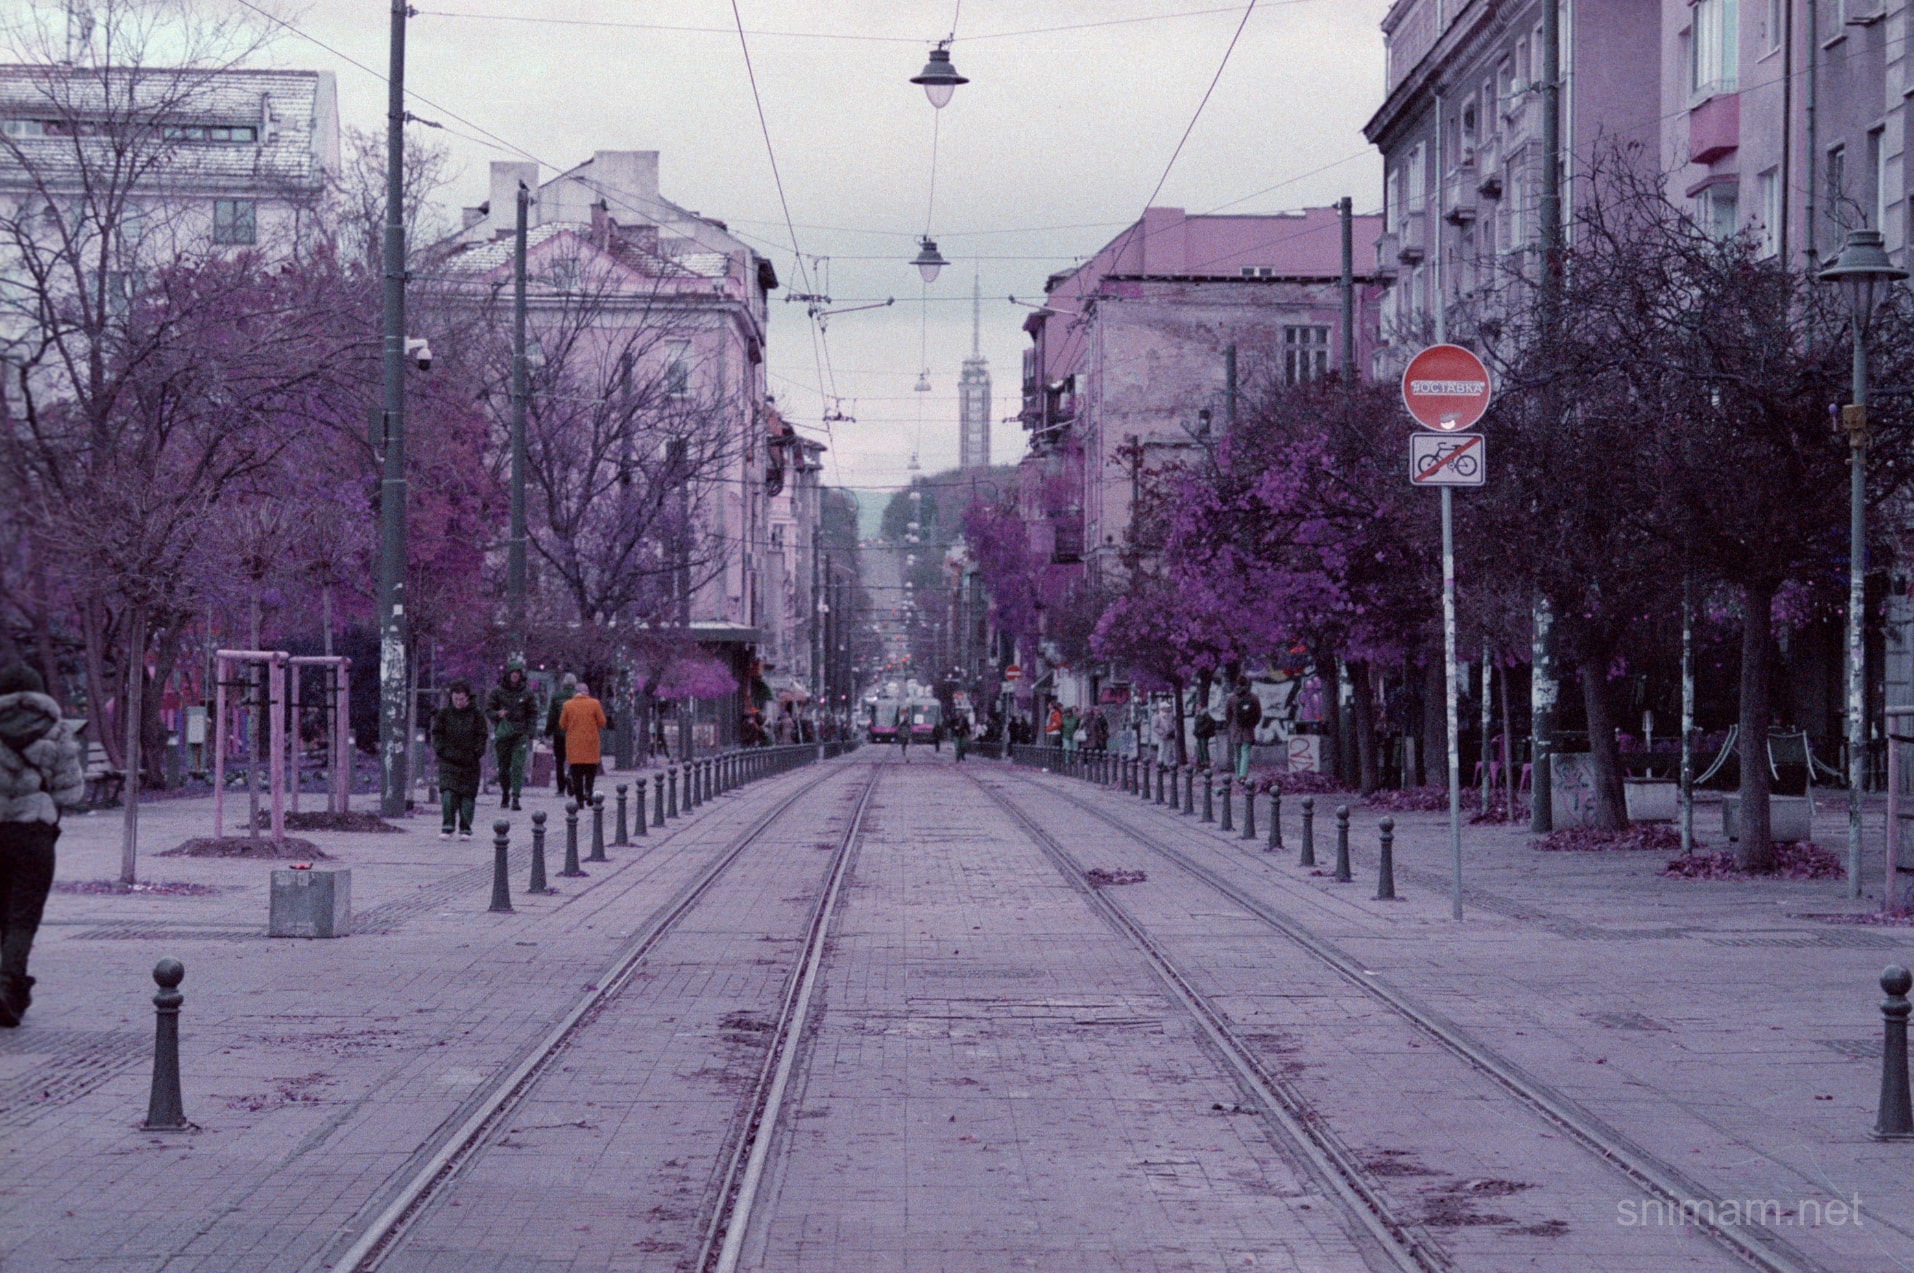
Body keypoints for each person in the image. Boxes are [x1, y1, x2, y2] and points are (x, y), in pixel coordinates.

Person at [0, 663, 82, 1027]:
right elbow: (72, 792)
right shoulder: (57, 730)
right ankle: (7, 985)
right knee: (23, 918)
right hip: (33, 834)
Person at [430, 679, 487, 840]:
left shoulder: (476, 716)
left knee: (468, 796)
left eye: (462, 699)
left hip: (470, 762)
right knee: (448, 793)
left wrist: (476, 752)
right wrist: (441, 750)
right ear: (451, 698)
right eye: (456, 699)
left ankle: (465, 828)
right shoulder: (444, 715)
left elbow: (482, 736)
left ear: (467, 698)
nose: (459, 702)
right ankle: (448, 826)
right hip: (448, 761)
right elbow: (437, 734)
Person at [486, 656, 537, 810]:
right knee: (503, 766)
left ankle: (515, 796)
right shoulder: (498, 691)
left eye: (518, 673)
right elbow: (489, 710)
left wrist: (530, 731)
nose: (515, 675)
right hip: (503, 733)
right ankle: (505, 793)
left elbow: (533, 712)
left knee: (517, 766)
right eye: (512, 672)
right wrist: (497, 714)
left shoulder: (527, 693)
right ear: (508, 674)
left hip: (519, 734)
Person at [558, 680, 608, 805]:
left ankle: (579, 800)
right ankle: (589, 792)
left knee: (577, 775)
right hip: (591, 745)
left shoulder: (567, 705)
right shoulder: (595, 704)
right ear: (587, 692)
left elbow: (562, 724)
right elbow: (602, 722)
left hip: (574, 745)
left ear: (575, 693)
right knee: (590, 773)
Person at [544, 672, 576, 798]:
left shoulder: (556, 697)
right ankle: (571, 776)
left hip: (559, 733)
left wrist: (547, 732)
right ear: (574, 684)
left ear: (563, 683)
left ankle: (560, 788)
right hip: (574, 734)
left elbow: (551, 717)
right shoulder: (577, 698)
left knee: (559, 761)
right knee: (574, 760)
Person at [1227, 676, 1263, 781]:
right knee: (1245, 752)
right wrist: (1253, 724)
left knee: (1237, 754)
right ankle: (1243, 775)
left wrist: (1231, 724)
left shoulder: (1231, 698)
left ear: (1236, 683)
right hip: (1248, 729)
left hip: (1235, 730)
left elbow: (1227, 714)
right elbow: (1258, 714)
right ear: (1247, 684)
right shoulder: (1253, 697)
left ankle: (1238, 776)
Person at [1193, 696, 1217, 769]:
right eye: (1196, 706)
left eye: (1198, 706)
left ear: (1201, 707)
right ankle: (1201, 763)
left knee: (1204, 748)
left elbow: (1210, 722)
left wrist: (1202, 729)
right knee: (1199, 749)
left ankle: (1206, 763)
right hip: (1199, 734)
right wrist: (1195, 731)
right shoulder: (1198, 714)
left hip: (1204, 734)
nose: (1197, 708)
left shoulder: (1205, 713)